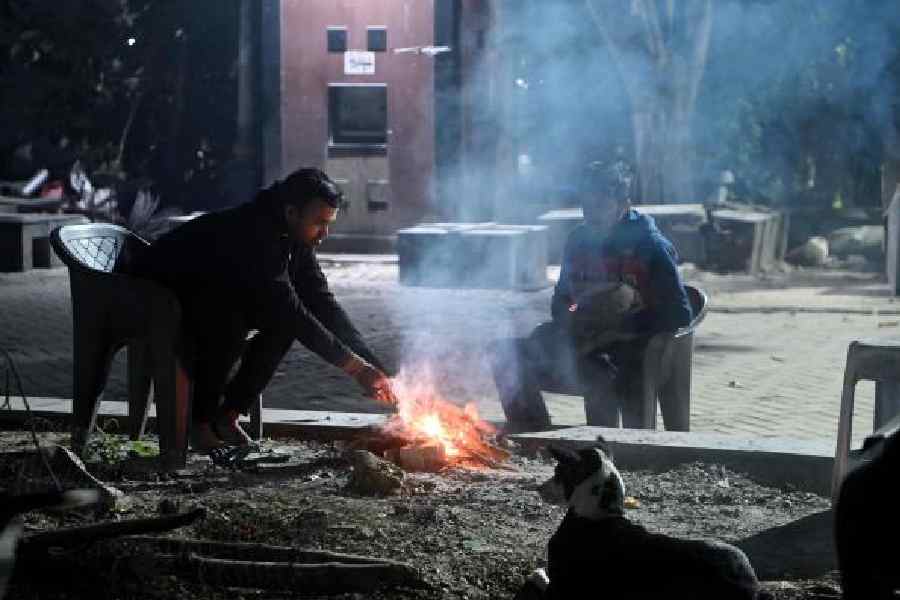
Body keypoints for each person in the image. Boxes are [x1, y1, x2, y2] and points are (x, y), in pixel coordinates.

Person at [133, 167, 396, 451]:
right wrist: (356, 369)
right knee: (231, 323)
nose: (324, 234)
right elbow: (291, 310)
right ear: (292, 212)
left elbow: (321, 302)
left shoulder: (296, 236)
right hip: (154, 295)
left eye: (329, 223)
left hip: (205, 294)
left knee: (279, 327)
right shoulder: (256, 233)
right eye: (319, 223)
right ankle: (199, 422)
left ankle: (228, 415)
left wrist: (375, 367)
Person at [490, 160, 692, 432]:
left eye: (600, 205)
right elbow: (561, 301)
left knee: (600, 376)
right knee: (506, 354)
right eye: (586, 205)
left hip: (631, 348)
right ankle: (534, 433)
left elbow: (679, 313)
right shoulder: (578, 240)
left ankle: (610, 445)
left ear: (623, 204)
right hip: (584, 339)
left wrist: (618, 328)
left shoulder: (650, 246)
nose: (591, 214)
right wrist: (575, 319)